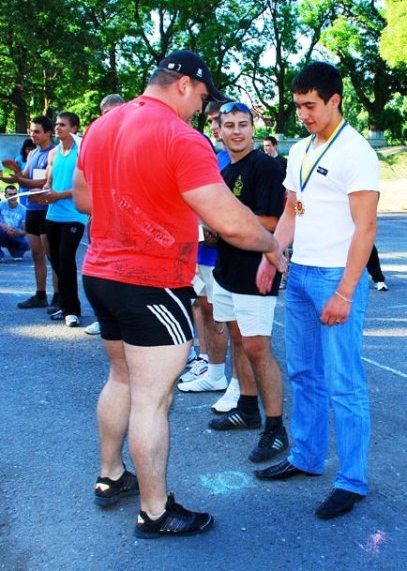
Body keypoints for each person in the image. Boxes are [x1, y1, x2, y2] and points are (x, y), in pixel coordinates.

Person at [73, 49, 286, 539]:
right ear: (185, 85)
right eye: (203, 99)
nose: (203, 112)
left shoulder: (103, 126)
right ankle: (154, 511)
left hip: (101, 272)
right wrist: (273, 245)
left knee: (121, 378)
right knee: (153, 398)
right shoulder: (178, 135)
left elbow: (85, 198)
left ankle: (110, 476)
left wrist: (141, 205)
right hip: (150, 282)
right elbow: (231, 221)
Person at [255, 62, 379, 520]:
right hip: (302, 275)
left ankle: (352, 479)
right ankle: (306, 457)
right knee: (305, 373)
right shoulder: (301, 149)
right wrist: (274, 255)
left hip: (335, 279)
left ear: (334, 101)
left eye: (310, 105)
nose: (303, 114)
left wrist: (345, 292)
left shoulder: (356, 152)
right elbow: (292, 210)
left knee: (345, 381)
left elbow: (365, 229)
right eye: (298, 106)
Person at [203, 102, 288, 464]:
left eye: (243, 124)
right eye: (229, 125)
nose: (236, 131)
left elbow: (271, 222)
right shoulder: (224, 171)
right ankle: (248, 407)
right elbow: (218, 226)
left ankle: (275, 428)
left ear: (253, 128)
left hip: (256, 273)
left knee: (258, 348)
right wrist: (212, 229)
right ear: (217, 130)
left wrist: (227, 220)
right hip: (226, 270)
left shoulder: (266, 168)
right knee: (238, 340)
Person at [178, 100, 234, 409]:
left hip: (219, 253)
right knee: (206, 308)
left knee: (225, 316)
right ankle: (214, 371)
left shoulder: (235, 160)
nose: (215, 126)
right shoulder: (213, 156)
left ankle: (236, 384)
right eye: (213, 121)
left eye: (220, 120)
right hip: (199, 247)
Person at [33, 113, 87, 328]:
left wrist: (59, 195)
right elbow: (49, 182)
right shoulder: (54, 153)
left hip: (74, 215)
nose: (57, 128)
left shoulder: (82, 153)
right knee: (55, 260)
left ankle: (73, 310)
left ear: (73, 128)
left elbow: (85, 187)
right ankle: (65, 306)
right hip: (52, 215)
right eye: (56, 124)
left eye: (62, 125)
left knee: (65, 258)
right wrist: (43, 192)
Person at [1, 116, 58, 310]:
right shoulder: (33, 153)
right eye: (31, 131)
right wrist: (9, 175)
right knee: (36, 254)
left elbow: (43, 184)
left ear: (48, 132)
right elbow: (23, 178)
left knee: (52, 256)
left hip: (47, 210)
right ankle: (40, 295)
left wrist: (20, 179)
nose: (32, 134)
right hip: (32, 210)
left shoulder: (54, 153)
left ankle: (58, 297)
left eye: (36, 131)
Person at [84, 94, 126, 336]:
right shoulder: (95, 141)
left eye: (118, 112)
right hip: (101, 217)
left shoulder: (137, 139)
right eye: (108, 113)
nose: (114, 118)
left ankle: (124, 319)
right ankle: (105, 319)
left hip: (131, 219)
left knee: (125, 269)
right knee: (102, 269)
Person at [0, 185, 30, 261]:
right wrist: (5, 227)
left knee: (27, 244)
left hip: (15, 234)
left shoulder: (23, 210)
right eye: (10, 194)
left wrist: (16, 233)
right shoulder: (1, 204)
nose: (13, 196)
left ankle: (14, 248)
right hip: (2, 231)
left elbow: (25, 231)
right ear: (5, 195)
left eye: (15, 194)